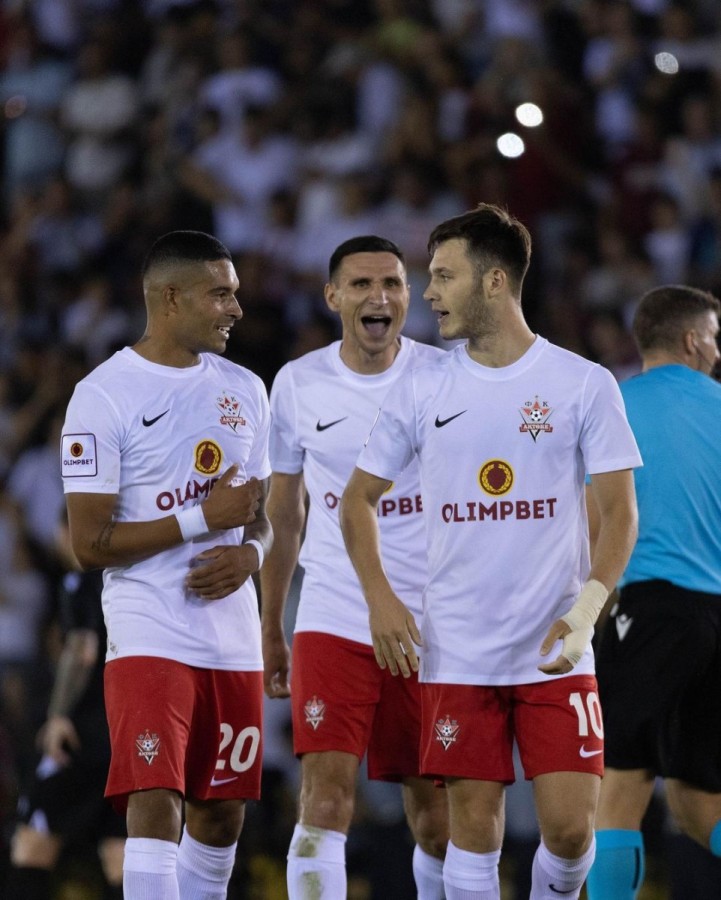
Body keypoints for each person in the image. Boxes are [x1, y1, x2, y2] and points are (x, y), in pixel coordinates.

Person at [339, 203, 642, 900]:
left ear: (495, 281)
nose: (430, 293)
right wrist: (381, 599)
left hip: (555, 647)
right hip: (458, 649)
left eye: (445, 276)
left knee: (571, 834)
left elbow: (621, 514)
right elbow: (357, 501)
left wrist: (586, 611)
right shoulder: (422, 385)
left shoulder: (581, 383)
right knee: (472, 831)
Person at [59, 230, 272, 900]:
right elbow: (88, 544)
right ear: (171, 297)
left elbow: (261, 513)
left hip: (232, 637)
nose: (236, 309)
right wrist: (201, 519)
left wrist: (253, 552)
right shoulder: (104, 394)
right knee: (155, 802)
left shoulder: (247, 389)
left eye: (235, 294)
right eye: (221, 294)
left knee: (221, 816)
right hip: (149, 629)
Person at [260, 235, 450, 898]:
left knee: (436, 819)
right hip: (334, 613)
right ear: (332, 296)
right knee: (325, 798)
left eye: (392, 283)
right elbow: (284, 516)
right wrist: (271, 624)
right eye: (363, 284)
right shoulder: (296, 383)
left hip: (428, 621)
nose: (380, 296)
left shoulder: (445, 377)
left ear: (408, 295)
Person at [586, 285, 721, 900]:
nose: (717, 350)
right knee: (698, 806)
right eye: (714, 337)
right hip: (715, 617)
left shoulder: (613, 406)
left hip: (652, 611)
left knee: (617, 790)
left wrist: (583, 610)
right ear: (692, 340)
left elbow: (592, 521)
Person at [7, 556, 126, 900]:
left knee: (31, 845)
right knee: (120, 854)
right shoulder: (134, 576)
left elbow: (82, 648)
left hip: (80, 736)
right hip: (125, 734)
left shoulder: (81, 580)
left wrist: (58, 715)